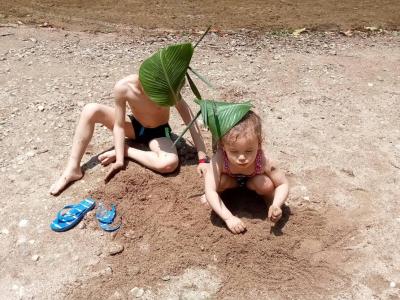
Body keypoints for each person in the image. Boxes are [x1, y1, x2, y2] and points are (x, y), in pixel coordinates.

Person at [50, 74, 208, 195]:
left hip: (159, 132)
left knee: (168, 164)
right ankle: (73, 168)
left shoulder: (168, 88)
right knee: (91, 109)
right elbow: (118, 126)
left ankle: (128, 151)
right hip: (133, 125)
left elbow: (190, 120)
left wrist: (202, 158)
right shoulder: (124, 87)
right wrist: (118, 160)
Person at [203, 111, 289, 234]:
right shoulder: (220, 159)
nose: (242, 157)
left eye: (249, 151)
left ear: (259, 144)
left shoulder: (263, 160)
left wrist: (277, 203)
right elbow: (210, 189)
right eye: (234, 151)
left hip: (253, 181)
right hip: (230, 182)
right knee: (217, 183)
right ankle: (220, 200)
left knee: (266, 184)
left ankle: (270, 204)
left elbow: (283, 184)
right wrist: (228, 218)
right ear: (223, 145)